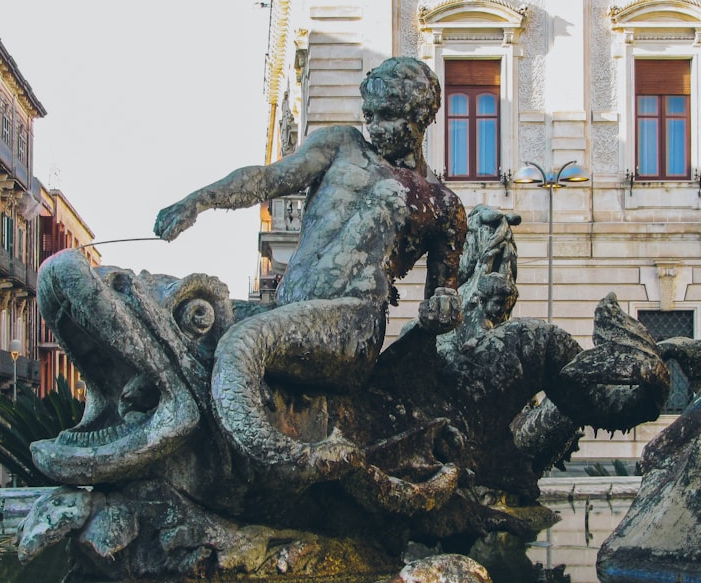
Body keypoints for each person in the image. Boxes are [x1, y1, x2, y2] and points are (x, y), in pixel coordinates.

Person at [154, 56, 467, 484]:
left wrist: (444, 308)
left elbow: (443, 295)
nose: (374, 126)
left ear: (419, 115)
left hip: (349, 325)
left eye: (388, 116)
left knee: (244, 344)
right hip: (287, 309)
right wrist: (199, 200)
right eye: (370, 114)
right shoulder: (342, 144)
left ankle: (283, 462)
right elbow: (269, 178)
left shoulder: (442, 204)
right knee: (175, 316)